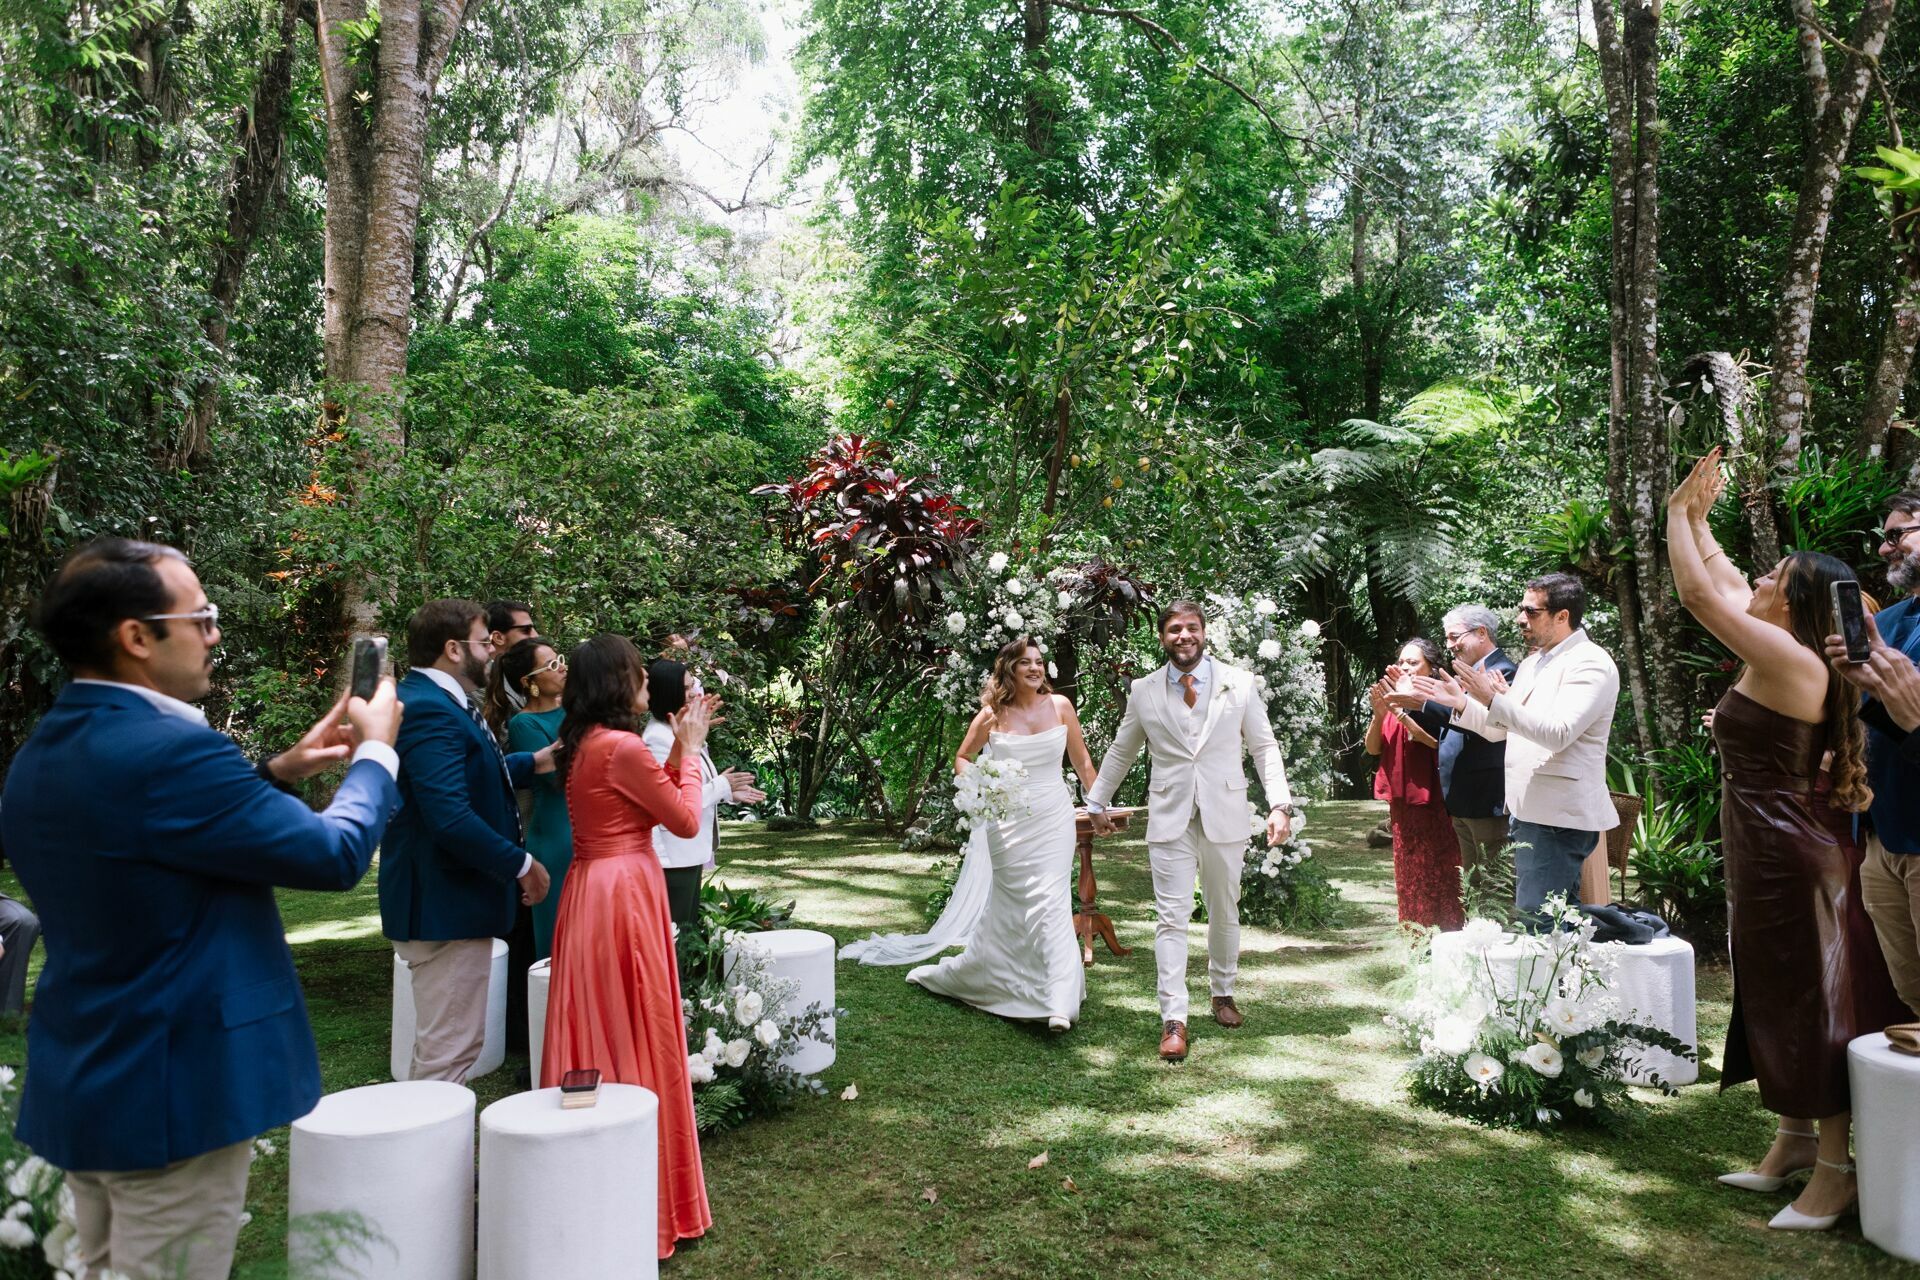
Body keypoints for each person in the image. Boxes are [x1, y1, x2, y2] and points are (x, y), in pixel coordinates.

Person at [0, 538, 402, 1280]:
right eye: (203, 617)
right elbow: (334, 856)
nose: (215, 634)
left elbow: (148, 850)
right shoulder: (171, 754)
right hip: (173, 1089)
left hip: (90, 1073)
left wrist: (274, 774)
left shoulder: (46, 748)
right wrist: (377, 755)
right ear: (137, 636)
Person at [1668, 450, 1907, 1231]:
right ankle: (1793, 1144)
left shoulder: (1790, 658)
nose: (1757, 582)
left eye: (1774, 579)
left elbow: (1705, 596)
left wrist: (1675, 517)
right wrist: (1700, 521)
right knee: (1778, 993)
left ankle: (1836, 1172)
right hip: (1771, 851)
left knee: (1816, 1003)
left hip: (1794, 857)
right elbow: (1730, 581)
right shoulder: (1787, 642)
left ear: (1794, 605)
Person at [542, 634, 713, 1259]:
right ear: (620, 681)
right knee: (641, 1023)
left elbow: (648, 802)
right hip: (625, 892)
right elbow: (685, 820)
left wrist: (678, 758)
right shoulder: (620, 746)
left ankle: (594, 1184)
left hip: (591, 888)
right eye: (639, 673)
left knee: (600, 1023)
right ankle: (645, 1196)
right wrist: (690, 751)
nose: (648, 682)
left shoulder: (587, 742)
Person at [1085, 601, 1293, 1062]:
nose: (1184, 636)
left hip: (1225, 811)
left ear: (1204, 633)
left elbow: (1263, 746)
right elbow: (1122, 749)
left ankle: (1223, 993)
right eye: (1174, 629)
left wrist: (1280, 803)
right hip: (1170, 815)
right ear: (1162, 637)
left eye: (1192, 628)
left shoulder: (1239, 683)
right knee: (1171, 917)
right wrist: (1097, 800)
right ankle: (1173, 1019)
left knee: (1225, 908)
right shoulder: (1144, 690)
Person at [383, 599, 551, 1083]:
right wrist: (521, 863)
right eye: (484, 643)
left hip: (452, 901)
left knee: (453, 1046)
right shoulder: (429, 709)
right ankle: (424, 1159)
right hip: (443, 903)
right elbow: (449, 816)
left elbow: (474, 774)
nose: (492, 653)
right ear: (453, 649)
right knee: (447, 1055)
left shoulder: (441, 700)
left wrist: (535, 762)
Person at [905, 638, 1101, 1031]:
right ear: (1009, 669)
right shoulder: (993, 714)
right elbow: (964, 757)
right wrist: (981, 786)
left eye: (1040, 662)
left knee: (1050, 899)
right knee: (1012, 905)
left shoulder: (1061, 707)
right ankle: (977, 977)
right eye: (1026, 662)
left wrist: (1099, 808)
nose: (1035, 668)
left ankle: (1059, 998)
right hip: (1006, 821)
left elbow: (1082, 763)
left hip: (1052, 816)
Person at [1415, 573, 1619, 916]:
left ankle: (1635, 935)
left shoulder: (1590, 662)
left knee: (1538, 919)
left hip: (1559, 815)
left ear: (1562, 616)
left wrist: (1493, 699)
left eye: (1531, 611)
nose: (1520, 619)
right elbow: (1501, 730)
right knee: (1553, 919)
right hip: (1527, 810)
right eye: (1520, 609)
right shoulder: (1532, 663)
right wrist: (1461, 704)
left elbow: (1558, 732)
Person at [1827, 491, 1920, 1023]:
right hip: (1883, 836)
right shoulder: (1898, 619)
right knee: (1911, 990)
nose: (1885, 549)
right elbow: (1888, 720)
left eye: (1898, 533)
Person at [641, 659, 766, 930]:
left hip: (688, 851)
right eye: (686, 688)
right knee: (677, 932)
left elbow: (694, 784)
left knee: (685, 929)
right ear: (667, 692)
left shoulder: (677, 731)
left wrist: (729, 792)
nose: (695, 693)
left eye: (693, 686)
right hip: (673, 856)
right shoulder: (657, 739)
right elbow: (675, 798)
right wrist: (722, 785)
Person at [1411, 605, 1517, 883]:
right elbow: (1449, 725)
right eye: (1447, 639)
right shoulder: (1467, 674)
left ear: (1481, 633)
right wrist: (1411, 706)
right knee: (1473, 885)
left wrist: (1422, 702)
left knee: (1496, 886)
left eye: (1455, 637)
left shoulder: (1502, 672)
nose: (1450, 646)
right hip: (1462, 799)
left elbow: (1487, 725)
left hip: (1487, 798)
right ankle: (1478, 928)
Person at [487, 638, 574, 960]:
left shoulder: (574, 711)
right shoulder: (524, 722)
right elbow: (555, 778)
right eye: (551, 665)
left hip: (582, 825)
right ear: (529, 683)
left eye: (560, 659)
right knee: (558, 938)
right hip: (556, 834)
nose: (562, 666)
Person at [1367, 638, 1462, 930]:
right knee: (1409, 870)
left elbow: (1436, 742)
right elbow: (1373, 748)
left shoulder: (1439, 701)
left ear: (1431, 669)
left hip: (1436, 799)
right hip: (1402, 804)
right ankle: (1415, 933)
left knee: (1440, 869)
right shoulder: (1391, 697)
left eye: (1413, 662)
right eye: (1402, 662)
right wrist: (1380, 713)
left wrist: (1402, 712)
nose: (1405, 667)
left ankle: (1449, 932)